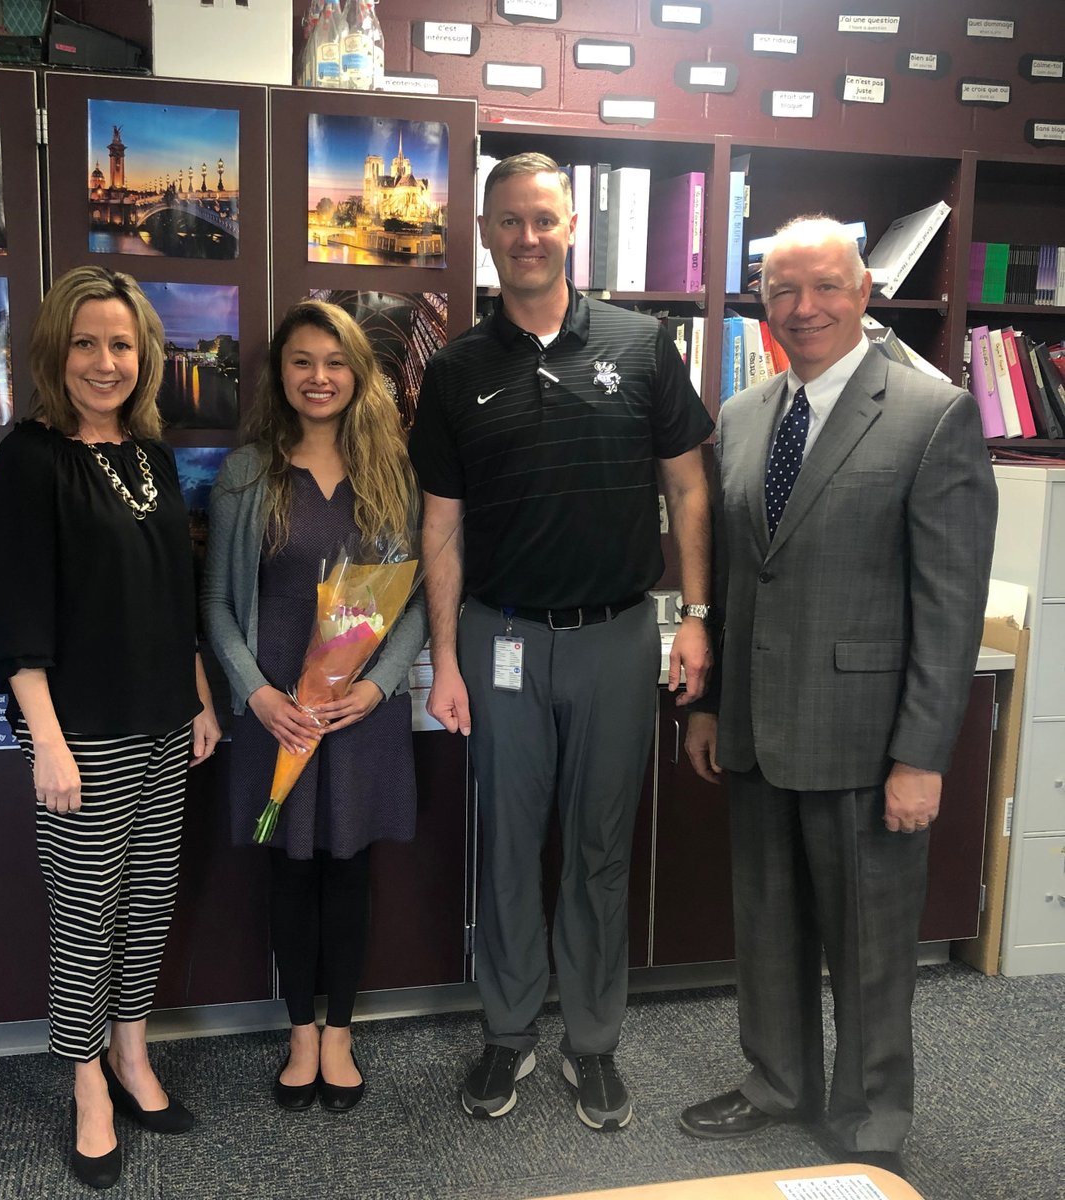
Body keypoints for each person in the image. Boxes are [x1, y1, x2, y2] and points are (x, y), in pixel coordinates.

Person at [678, 216, 997, 1176]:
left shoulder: (932, 413)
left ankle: (869, 1119)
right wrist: (708, 708)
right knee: (766, 927)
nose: (802, 307)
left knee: (869, 945)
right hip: (755, 726)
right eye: (781, 289)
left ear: (863, 292)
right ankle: (777, 1083)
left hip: (866, 739)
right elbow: (734, 579)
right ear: (761, 302)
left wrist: (921, 757)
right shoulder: (742, 415)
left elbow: (948, 606)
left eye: (823, 286)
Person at [408, 152, 714, 1131]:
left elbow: (687, 487)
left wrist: (696, 614)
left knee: (597, 848)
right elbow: (441, 525)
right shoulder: (454, 370)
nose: (527, 237)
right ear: (485, 234)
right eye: (508, 221)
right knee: (506, 845)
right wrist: (445, 657)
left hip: (615, 638)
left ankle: (591, 1041)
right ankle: (508, 1030)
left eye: (543, 219)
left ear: (571, 225)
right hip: (499, 639)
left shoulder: (641, 343)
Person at [0, 266, 221, 1190]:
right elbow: (18, 616)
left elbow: (173, 596)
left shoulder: (150, 455)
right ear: (56, 352)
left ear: (144, 355)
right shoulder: (29, 459)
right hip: (80, 733)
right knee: (86, 915)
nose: (104, 361)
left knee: (147, 903)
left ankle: (131, 1053)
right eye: (86, 343)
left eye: (121, 344)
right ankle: (87, 1082)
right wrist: (45, 740)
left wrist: (198, 695)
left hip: (163, 718)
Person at [202, 298, 427, 1116]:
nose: (318, 377)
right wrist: (256, 696)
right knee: (290, 872)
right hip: (279, 717)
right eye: (301, 361)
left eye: (334, 362)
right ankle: (300, 1033)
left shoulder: (393, 474)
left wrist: (379, 684)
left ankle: (339, 1033)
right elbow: (215, 605)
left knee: (350, 870)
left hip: (359, 716)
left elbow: (417, 601)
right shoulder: (246, 476)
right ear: (281, 373)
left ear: (358, 375)